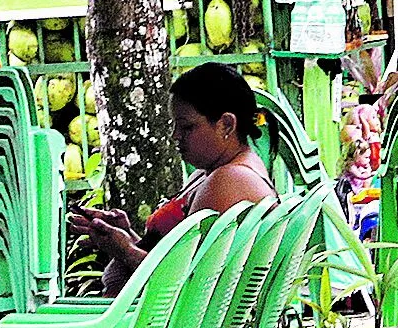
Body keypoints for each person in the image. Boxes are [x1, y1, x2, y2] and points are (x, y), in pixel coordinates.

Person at [71, 64, 276, 301]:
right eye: (174, 125)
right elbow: (183, 260)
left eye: (187, 126)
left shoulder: (230, 180)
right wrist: (125, 234)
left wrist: (126, 251)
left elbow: (187, 286)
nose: (175, 135)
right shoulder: (213, 173)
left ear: (226, 125)